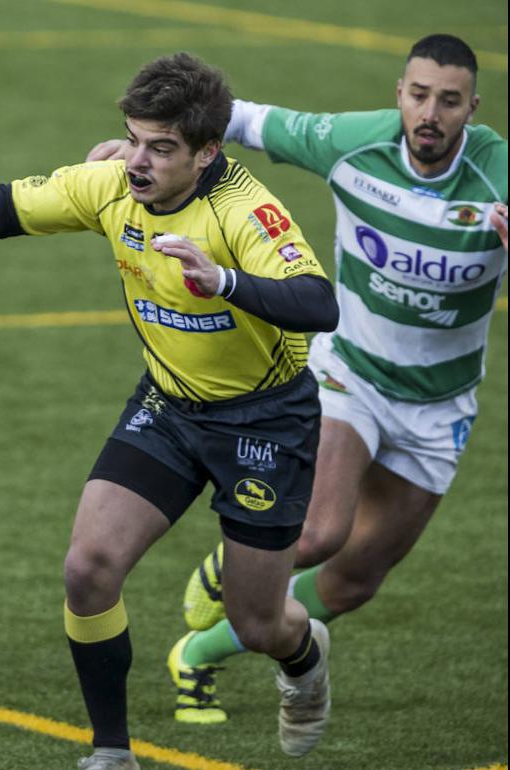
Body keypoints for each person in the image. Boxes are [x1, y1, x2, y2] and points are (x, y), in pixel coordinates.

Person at [0, 52, 340, 769]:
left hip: (263, 422)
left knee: (256, 620)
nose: (135, 161)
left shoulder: (245, 212)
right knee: (88, 568)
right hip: (169, 407)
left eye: (160, 148)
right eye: (132, 139)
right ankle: (111, 751)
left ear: (208, 152)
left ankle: (304, 659)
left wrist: (225, 280)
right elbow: (8, 209)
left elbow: (319, 305)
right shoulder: (113, 185)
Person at [91, 34, 508, 725]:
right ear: (399, 93)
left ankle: (199, 652)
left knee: (353, 582)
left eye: (450, 100)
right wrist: (143, 151)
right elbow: (238, 118)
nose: (430, 113)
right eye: (418, 94)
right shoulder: (355, 142)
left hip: (441, 404)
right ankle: (237, 564)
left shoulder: (498, 174)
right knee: (316, 534)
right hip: (350, 373)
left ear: (474, 108)